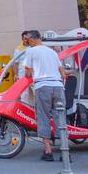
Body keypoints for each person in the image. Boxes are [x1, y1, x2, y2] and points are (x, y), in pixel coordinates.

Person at [21, 30, 68, 161]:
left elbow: (28, 73)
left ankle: (48, 151)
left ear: (32, 39)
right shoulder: (52, 52)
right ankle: (65, 151)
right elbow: (62, 71)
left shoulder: (31, 51)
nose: (25, 42)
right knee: (60, 116)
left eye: (26, 39)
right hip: (58, 86)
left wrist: (29, 74)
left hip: (43, 86)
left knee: (43, 117)